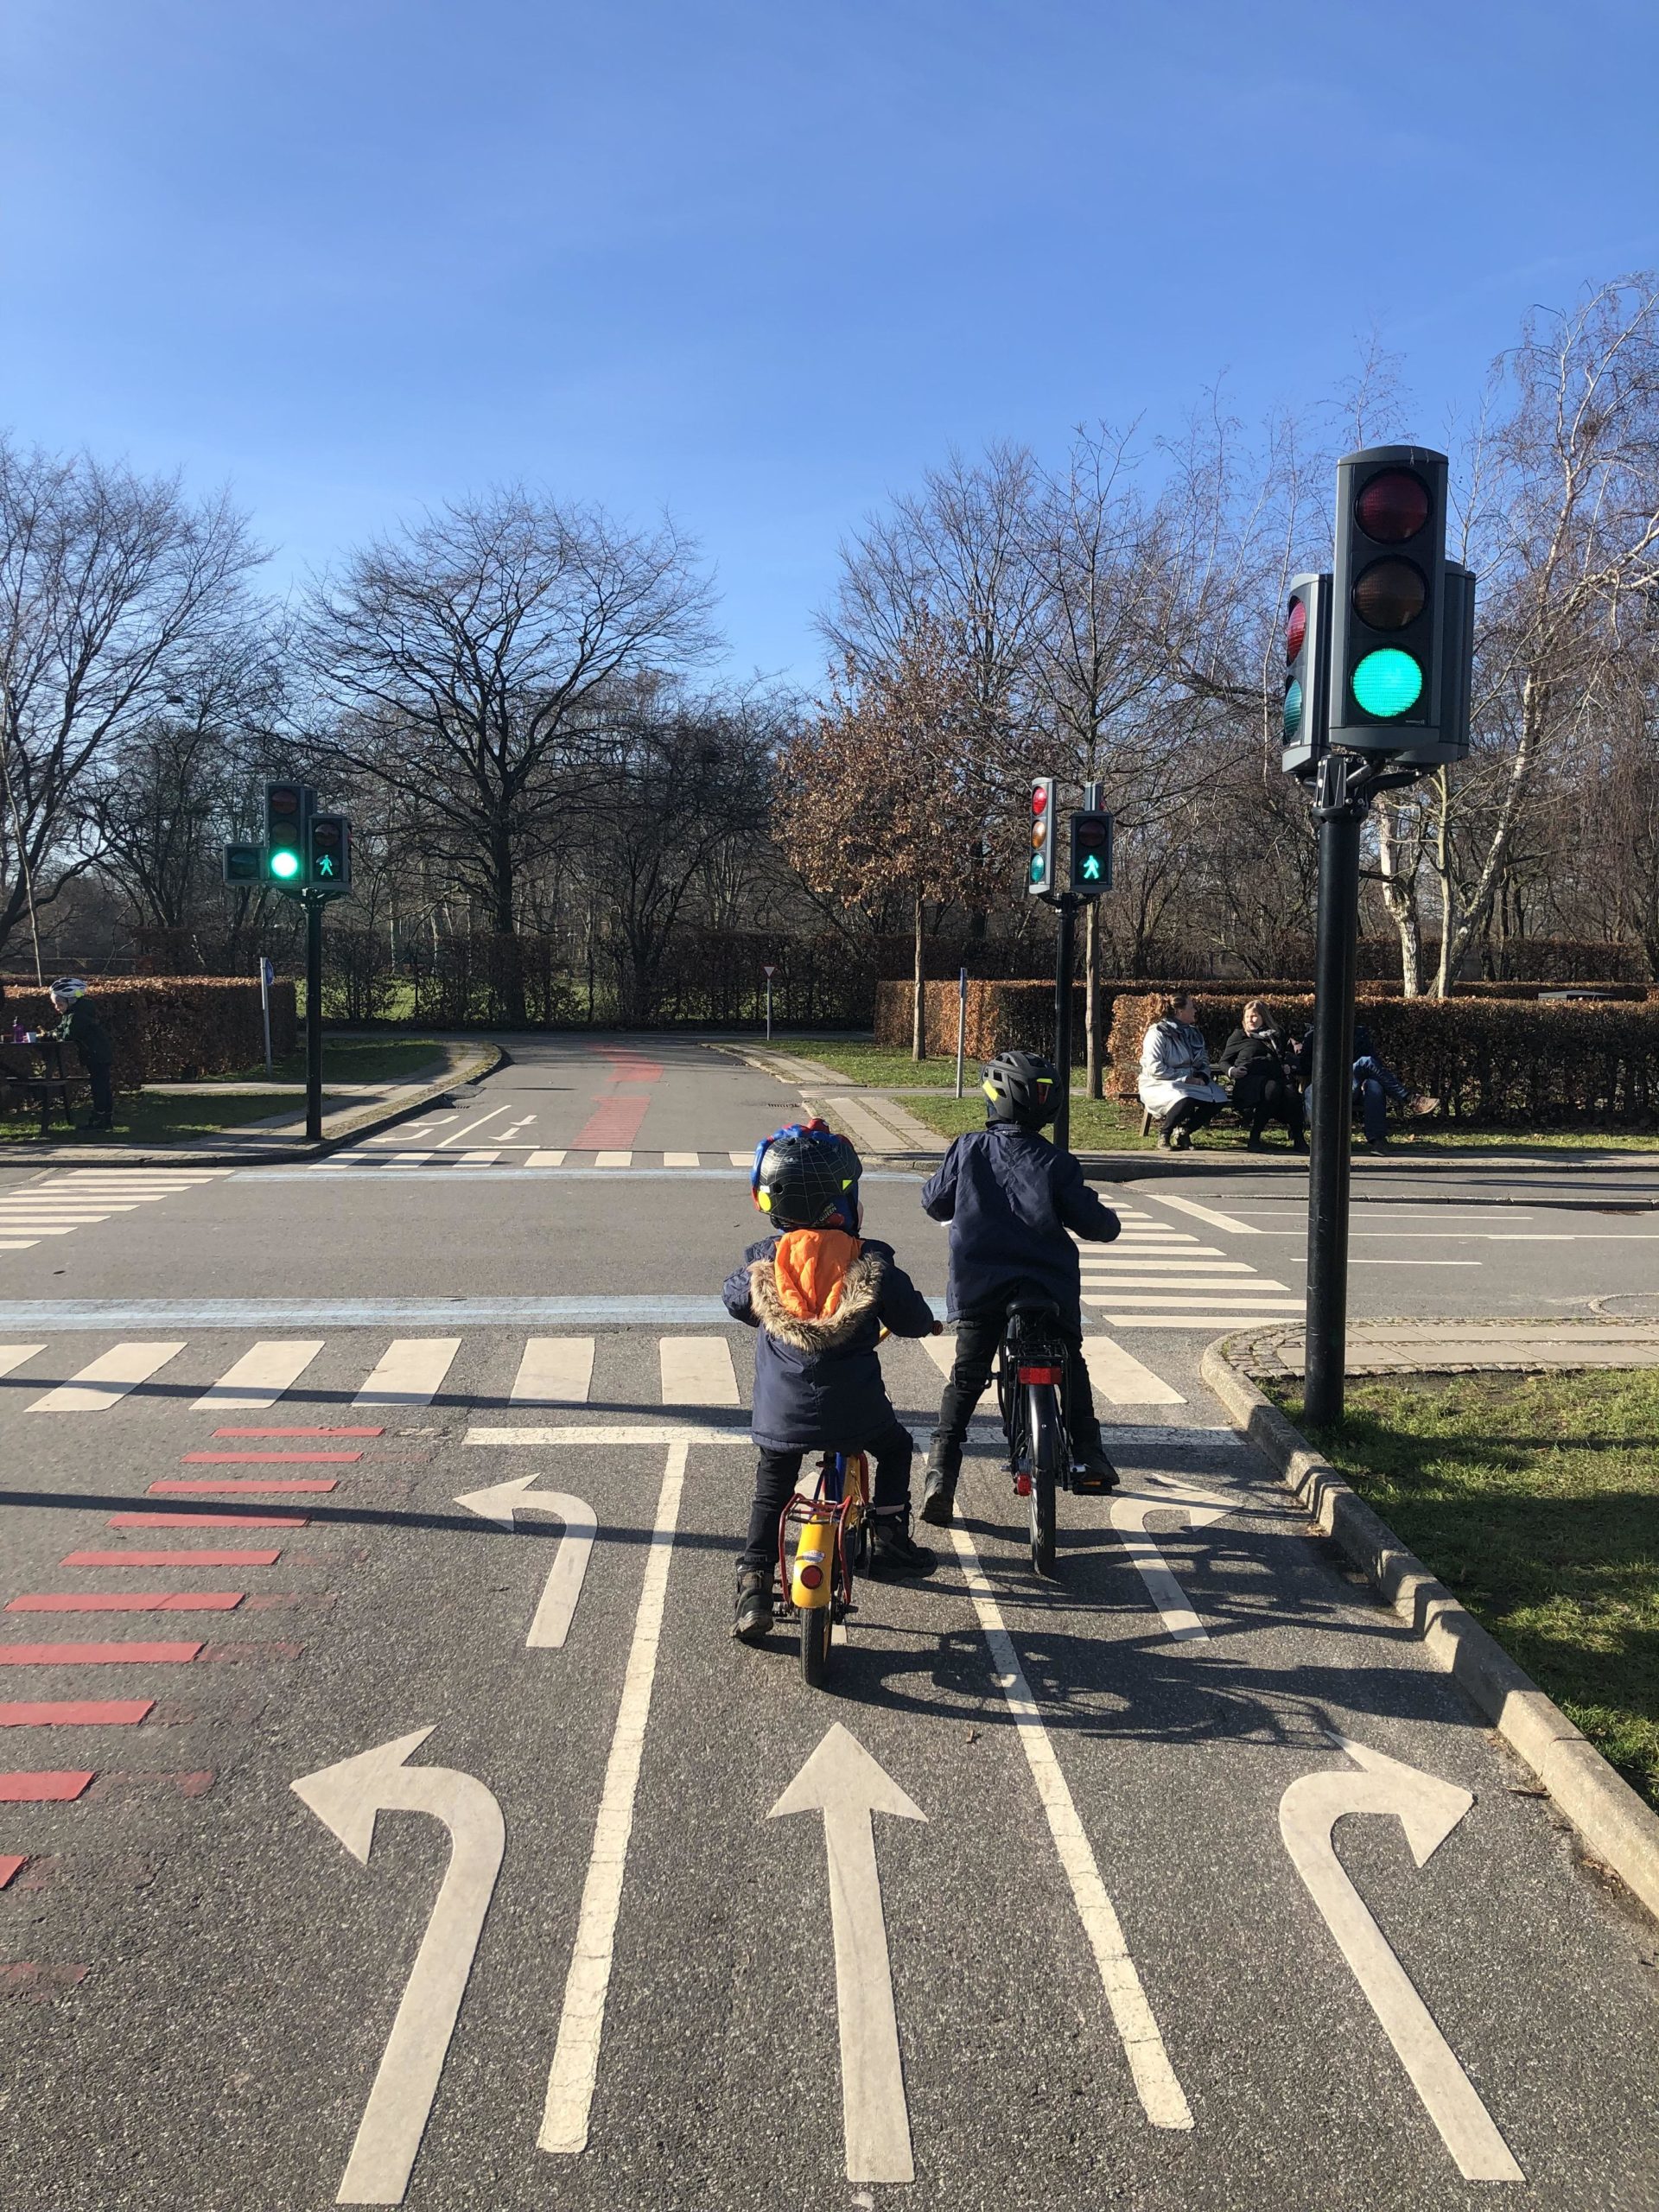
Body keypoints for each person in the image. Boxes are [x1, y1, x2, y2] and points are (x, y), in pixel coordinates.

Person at [723, 1119, 942, 1643]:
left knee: (771, 1485)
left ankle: (754, 1581)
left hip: (783, 1415)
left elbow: (734, 1298)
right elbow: (910, 1318)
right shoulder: (872, 1260)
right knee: (895, 1448)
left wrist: (769, 1313)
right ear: (846, 1200)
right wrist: (925, 1323)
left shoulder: (763, 1261)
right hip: (857, 1412)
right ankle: (889, 1534)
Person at [918, 1050, 1122, 1526]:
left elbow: (933, 1202)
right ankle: (1090, 1453)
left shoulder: (967, 1150)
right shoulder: (1057, 1162)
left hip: (979, 1287)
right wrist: (1106, 1218)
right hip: (1046, 1289)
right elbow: (1099, 1227)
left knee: (967, 1379)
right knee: (1070, 1362)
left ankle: (941, 1472)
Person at [1138, 993, 1228, 1150]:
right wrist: (1185, 1078)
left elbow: (1203, 1060)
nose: (1195, 1011)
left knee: (1219, 1098)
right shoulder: (1158, 1033)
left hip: (1193, 1081)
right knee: (1185, 1099)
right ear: (1180, 1011)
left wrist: (1202, 1076)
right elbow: (1155, 1068)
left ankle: (1185, 1131)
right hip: (1161, 1082)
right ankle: (1164, 1134)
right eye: (1191, 1007)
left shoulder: (1194, 1034)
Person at [1219, 999, 1307, 1153]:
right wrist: (1232, 1071)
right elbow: (1224, 1061)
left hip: (1275, 1077)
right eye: (1247, 1017)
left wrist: (1286, 1065)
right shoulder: (1240, 1036)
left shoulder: (1276, 1035)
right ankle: (1255, 1137)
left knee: (1291, 1094)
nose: (1250, 1020)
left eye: (1254, 1016)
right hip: (1250, 1082)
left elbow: (1283, 1056)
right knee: (1272, 1089)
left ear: (1263, 1017)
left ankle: (1299, 1138)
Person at [35, 978, 115, 1132]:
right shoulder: (74, 1012)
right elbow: (61, 1029)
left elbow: (68, 1034)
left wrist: (52, 1036)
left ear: (70, 1001)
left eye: (60, 1004)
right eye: (55, 1004)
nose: (57, 1008)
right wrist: (50, 1033)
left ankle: (101, 1119)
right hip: (96, 1053)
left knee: (100, 1086)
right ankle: (103, 1118)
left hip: (96, 1054)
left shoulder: (77, 1016)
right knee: (101, 1085)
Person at [1351, 1021, 1436, 1151]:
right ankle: (1411, 1099)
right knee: (1366, 1062)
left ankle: (1377, 1140)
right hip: (1329, 1087)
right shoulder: (1318, 1033)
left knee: (1375, 1085)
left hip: (1354, 1087)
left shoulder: (1358, 1034)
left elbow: (1377, 1069)